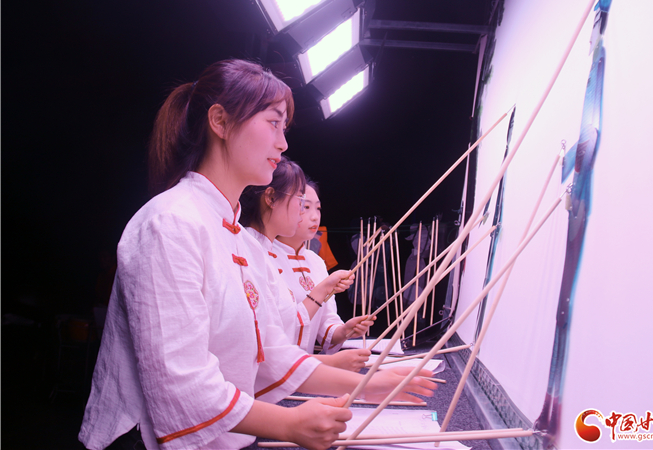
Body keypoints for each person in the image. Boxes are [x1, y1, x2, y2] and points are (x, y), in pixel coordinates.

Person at [78, 59, 435, 450]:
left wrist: (372, 384)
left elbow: (272, 353)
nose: (283, 143)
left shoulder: (242, 241)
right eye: (273, 123)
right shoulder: (170, 223)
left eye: (284, 128)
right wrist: (289, 423)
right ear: (220, 121)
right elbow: (181, 380)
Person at [241, 165, 373, 372]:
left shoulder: (315, 261)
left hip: (295, 372)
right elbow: (272, 339)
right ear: (271, 198)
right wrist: (323, 289)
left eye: (317, 208)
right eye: (303, 204)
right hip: (274, 375)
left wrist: (344, 331)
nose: (314, 216)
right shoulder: (255, 252)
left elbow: (322, 322)